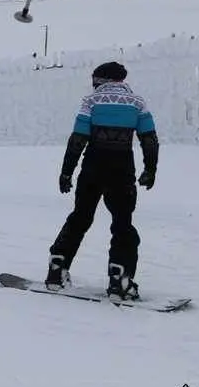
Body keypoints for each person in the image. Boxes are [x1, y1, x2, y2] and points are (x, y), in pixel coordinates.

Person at [46, 61, 159, 300]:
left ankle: (57, 267)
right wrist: (150, 169)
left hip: (92, 168)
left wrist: (66, 172)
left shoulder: (90, 101)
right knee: (122, 223)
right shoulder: (137, 103)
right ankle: (121, 279)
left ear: (101, 80)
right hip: (122, 170)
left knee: (80, 217)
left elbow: (78, 139)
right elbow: (149, 139)